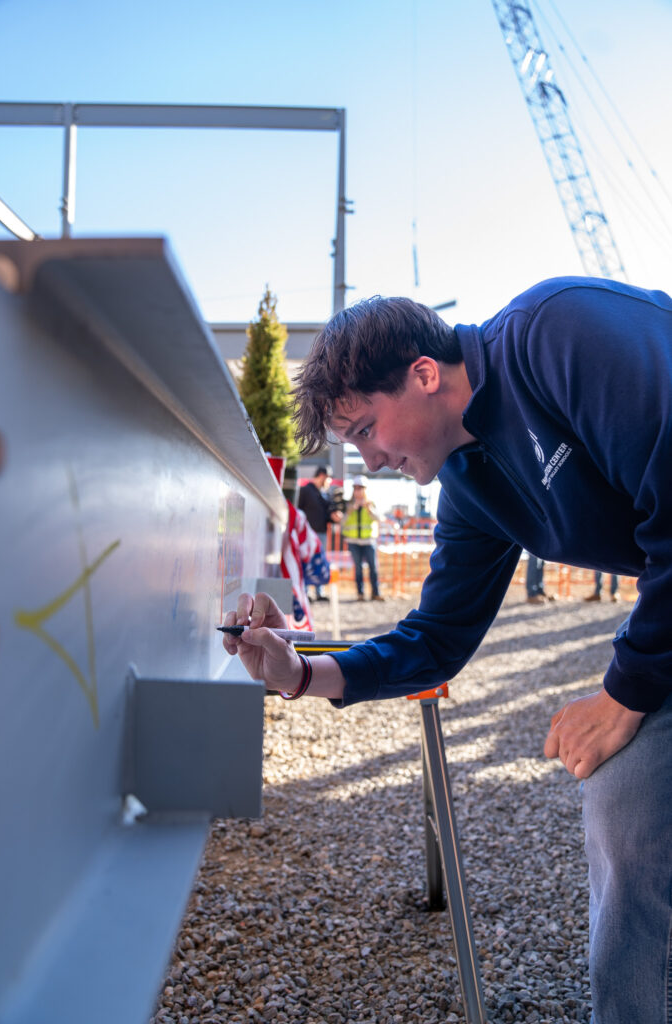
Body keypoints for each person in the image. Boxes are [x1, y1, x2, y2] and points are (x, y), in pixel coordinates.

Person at [223, 277, 672, 1024]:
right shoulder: (471, 482)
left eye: (366, 429)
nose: (365, 460)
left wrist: (622, 695)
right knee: (623, 801)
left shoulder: (557, 335)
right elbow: (434, 639)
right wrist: (300, 673)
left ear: (423, 375)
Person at [296, 465, 342, 601]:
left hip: (321, 533)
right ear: (322, 476)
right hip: (306, 533)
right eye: (328, 479)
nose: (329, 482)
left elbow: (326, 514)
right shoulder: (305, 490)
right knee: (306, 561)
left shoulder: (325, 494)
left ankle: (319, 591)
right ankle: (306, 591)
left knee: (319, 561)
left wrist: (333, 516)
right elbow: (298, 510)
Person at [342, 475, 384, 601]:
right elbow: (342, 522)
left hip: (369, 540)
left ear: (365, 489)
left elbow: (378, 518)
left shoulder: (371, 503)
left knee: (373, 568)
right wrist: (349, 511)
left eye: (360, 488)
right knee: (358, 569)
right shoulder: (348, 504)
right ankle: (360, 594)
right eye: (355, 488)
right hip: (353, 541)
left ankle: (376, 593)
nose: (358, 491)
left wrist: (369, 508)